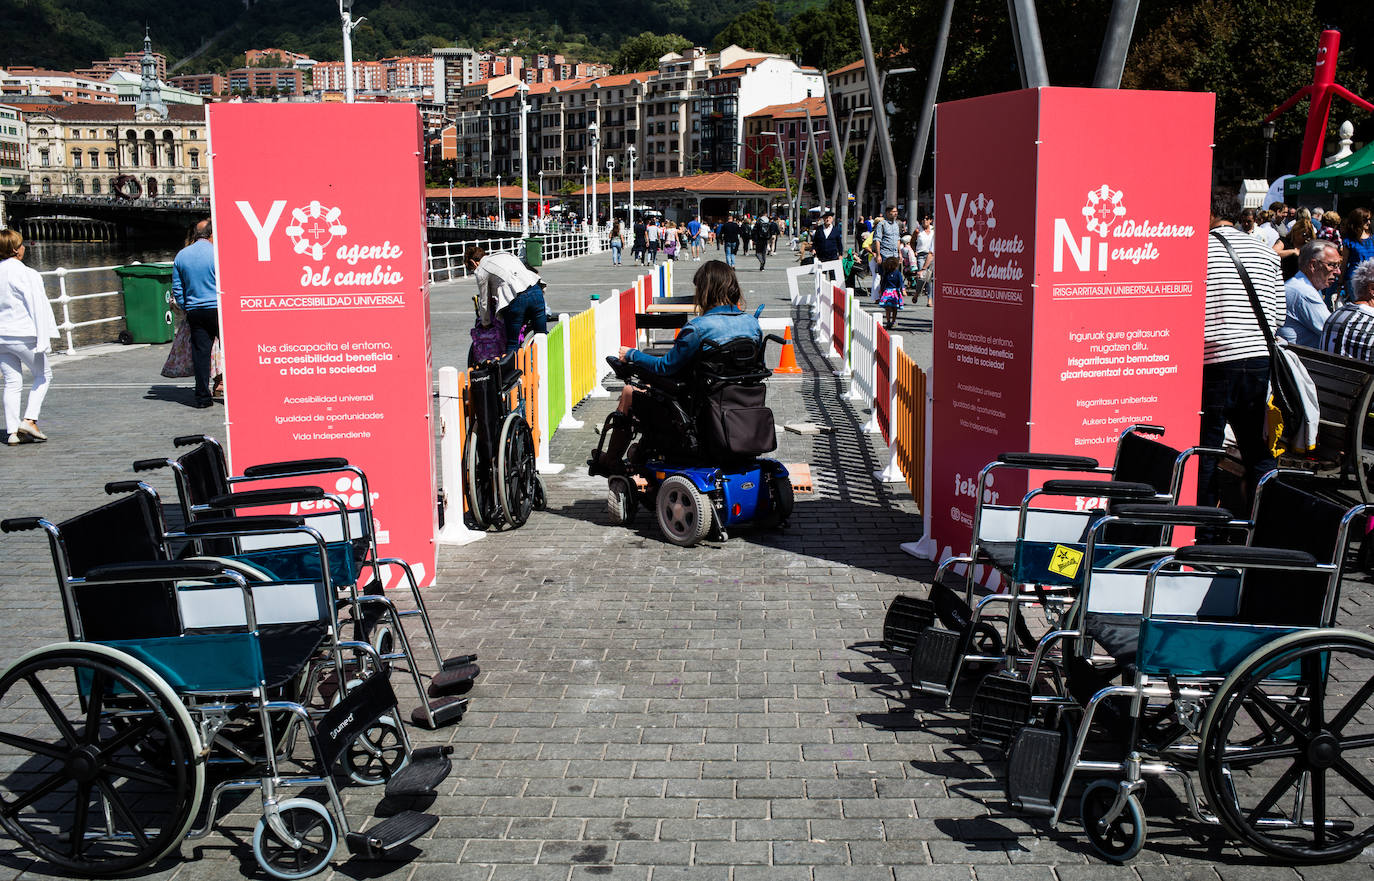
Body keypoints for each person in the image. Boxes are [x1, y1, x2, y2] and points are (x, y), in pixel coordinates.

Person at [591, 260, 762, 473]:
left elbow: (666, 367)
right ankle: (639, 452)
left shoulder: (698, 328)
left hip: (696, 410)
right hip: (739, 403)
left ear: (705, 290)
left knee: (628, 392)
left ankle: (612, 461)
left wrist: (633, 355)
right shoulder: (751, 324)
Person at [1199, 187, 1284, 509]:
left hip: (1215, 357)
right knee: (1254, 446)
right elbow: (1279, 315)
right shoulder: (1266, 252)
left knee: (1206, 448)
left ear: (1208, 212)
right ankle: (1264, 517)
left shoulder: (1200, 250)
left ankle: (1203, 530)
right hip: (1258, 358)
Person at [0, 229, 58, 445]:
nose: (24, 247)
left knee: (12, 381)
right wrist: (45, 337)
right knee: (43, 375)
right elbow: (37, 306)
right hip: (23, 334)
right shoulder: (27, 274)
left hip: (1, 337)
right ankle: (30, 420)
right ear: (16, 249)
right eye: (22, 244)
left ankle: (13, 432)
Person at [171, 218, 220, 409]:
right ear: (211, 234)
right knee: (232, 352)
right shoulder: (218, 253)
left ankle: (202, 398)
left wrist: (186, 306)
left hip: (195, 310)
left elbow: (178, 287)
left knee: (201, 354)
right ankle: (238, 392)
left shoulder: (182, 255)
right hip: (218, 309)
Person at [465, 245, 547, 356]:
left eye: (471, 268)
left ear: (473, 262)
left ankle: (513, 371)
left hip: (517, 300)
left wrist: (486, 323)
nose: (473, 271)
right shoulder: (505, 254)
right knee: (542, 336)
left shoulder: (481, 269)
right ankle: (545, 365)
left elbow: (485, 302)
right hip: (536, 291)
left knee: (512, 343)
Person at [1277, 239, 1338, 348]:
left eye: (1339, 265)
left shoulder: (1297, 285)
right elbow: (1336, 334)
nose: (1338, 271)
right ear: (1313, 265)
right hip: (1304, 361)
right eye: (1332, 265)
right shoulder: (1304, 293)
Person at [1321, 257, 1374, 361]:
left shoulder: (1336, 315)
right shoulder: (1370, 323)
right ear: (1372, 289)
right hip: (1360, 377)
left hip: (1326, 376)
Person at [1342, 207, 1374, 302]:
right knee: (1360, 306)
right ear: (1357, 221)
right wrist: (1340, 283)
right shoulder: (1348, 241)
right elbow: (1344, 263)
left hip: (1372, 279)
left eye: (1369, 219)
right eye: (1365, 220)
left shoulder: (1373, 239)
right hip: (1355, 280)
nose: (1368, 222)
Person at [876, 256, 905, 330]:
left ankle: (889, 321)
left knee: (888, 308)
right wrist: (902, 290)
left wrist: (881, 291)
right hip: (895, 292)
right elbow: (901, 282)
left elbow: (883, 283)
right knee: (894, 308)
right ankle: (893, 321)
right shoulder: (897, 273)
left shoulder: (886, 273)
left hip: (887, 292)